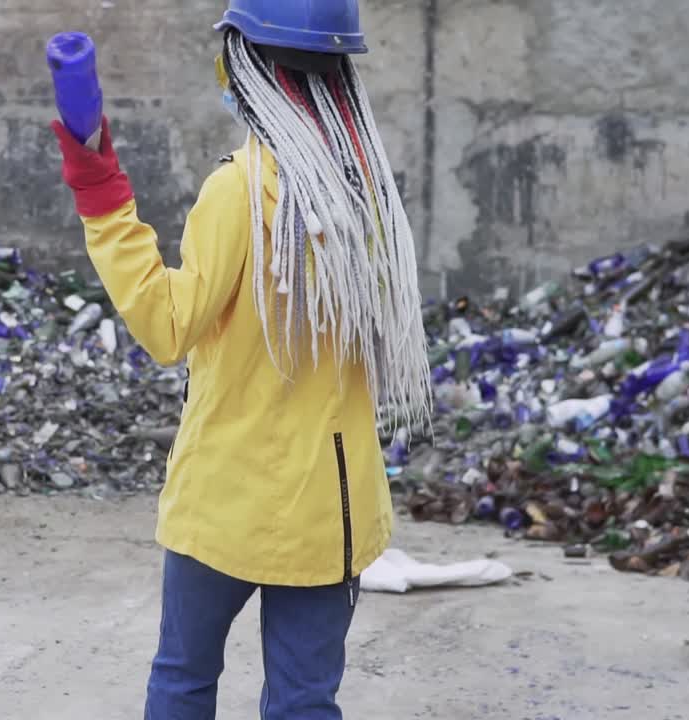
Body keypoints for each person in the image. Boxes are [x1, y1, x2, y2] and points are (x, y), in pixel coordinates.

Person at [50, 1, 433, 717]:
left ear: (247, 66)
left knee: (185, 680)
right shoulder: (370, 192)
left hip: (225, 500)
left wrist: (101, 195)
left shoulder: (240, 189)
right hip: (332, 508)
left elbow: (169, 327)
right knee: (304, 702)